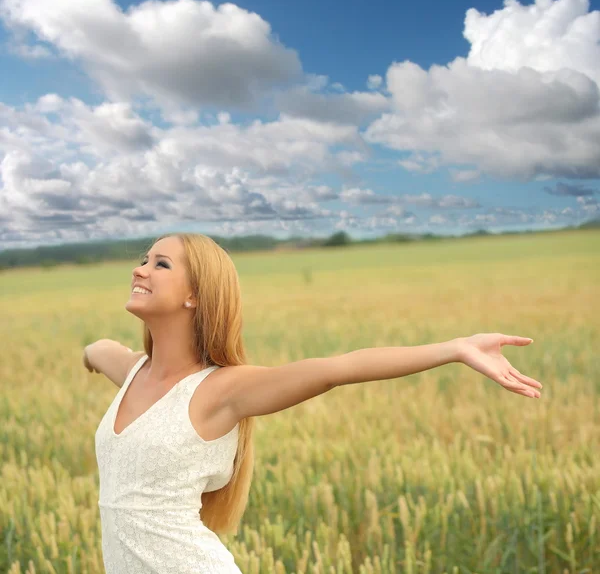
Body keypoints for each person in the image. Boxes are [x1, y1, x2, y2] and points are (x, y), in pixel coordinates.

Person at [85, 232, 542, 573]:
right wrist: (89, 355)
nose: (140, 269)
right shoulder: (132, 373)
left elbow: (336, 368)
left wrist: (455, 347)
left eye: (160, 264)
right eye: (143, 259)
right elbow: (102, 348)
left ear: (195, 296)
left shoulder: (220, 391)